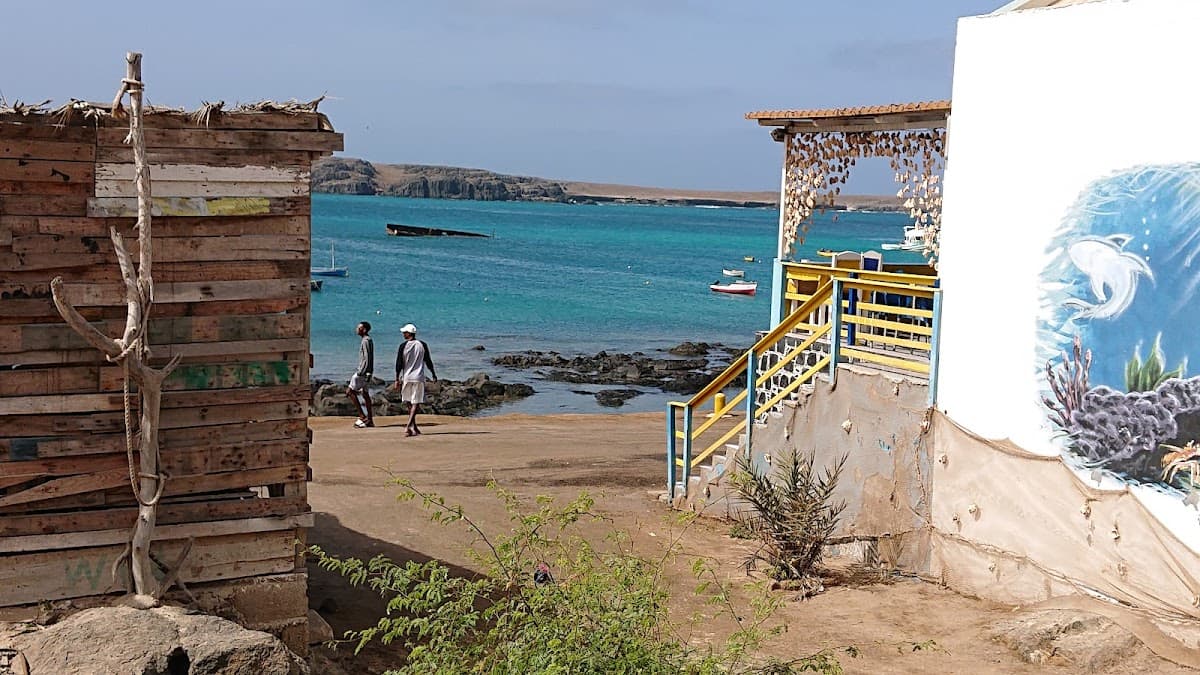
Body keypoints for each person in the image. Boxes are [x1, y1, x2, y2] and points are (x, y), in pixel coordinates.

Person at [392, 323, 437, 437]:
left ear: (408, 333)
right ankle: (413, 426)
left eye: (404, 332)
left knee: (408, 400)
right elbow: (428, 361)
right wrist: (433, 374)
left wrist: (397, 378)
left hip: (407, 376)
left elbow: (399, 363)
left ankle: (409, 425)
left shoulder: (403, 346)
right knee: (415, 402)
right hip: (418, 377)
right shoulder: (422, 345)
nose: (403, 334)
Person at [347, 321, 375, 429]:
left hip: (362, 372)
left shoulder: (366, 341)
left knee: (350, 391)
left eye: (359, 328)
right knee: (365, 394)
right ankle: (370, 420)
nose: (356, 329)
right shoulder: (367, 340)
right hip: (366, 372)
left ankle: (362, 416)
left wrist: (362, 372)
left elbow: (367, 358)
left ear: (364, 330)